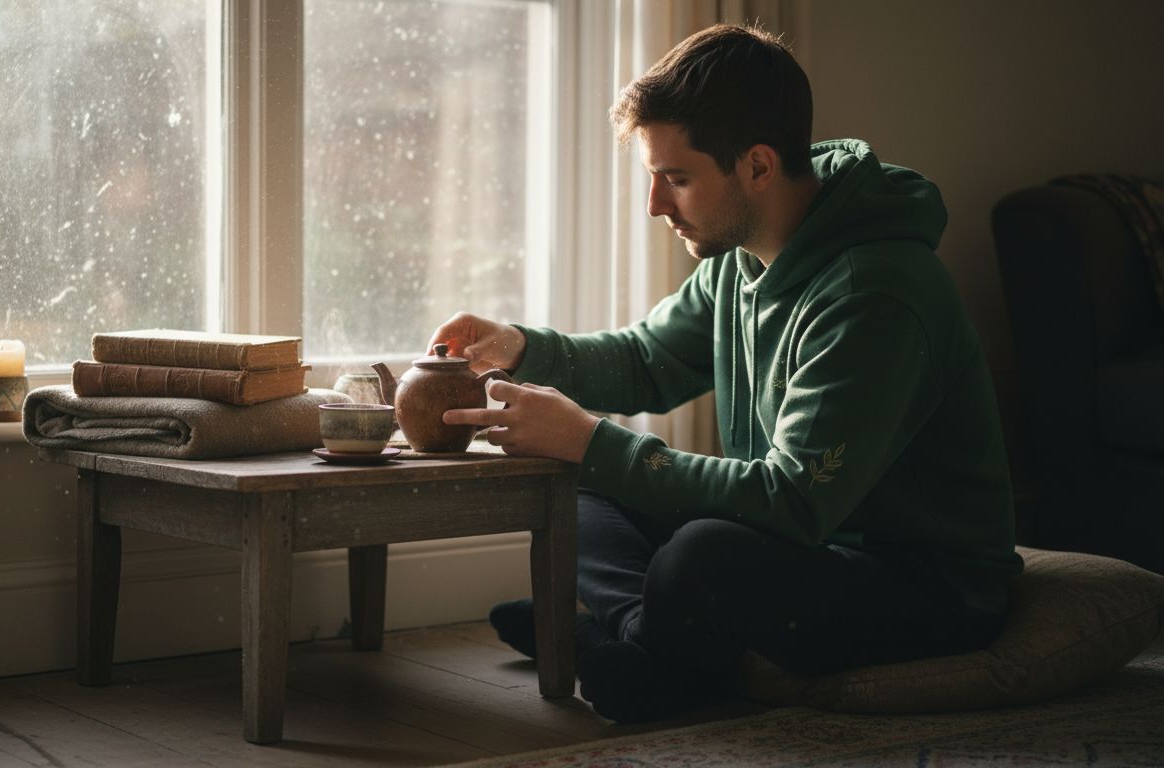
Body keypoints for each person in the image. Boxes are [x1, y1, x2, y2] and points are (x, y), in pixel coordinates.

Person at [426, 23, 1022, 724]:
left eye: (676, 179)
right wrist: (520, 347)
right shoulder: (744, 259)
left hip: (919, 587)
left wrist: (590, 439)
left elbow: (794, 500)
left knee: (702, 554)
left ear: (758, 166)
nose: (655, 205)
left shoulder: (875, 294)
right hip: (793, 547)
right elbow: (648, 360)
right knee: (572, 484)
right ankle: (638, 639)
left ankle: (617, 648)